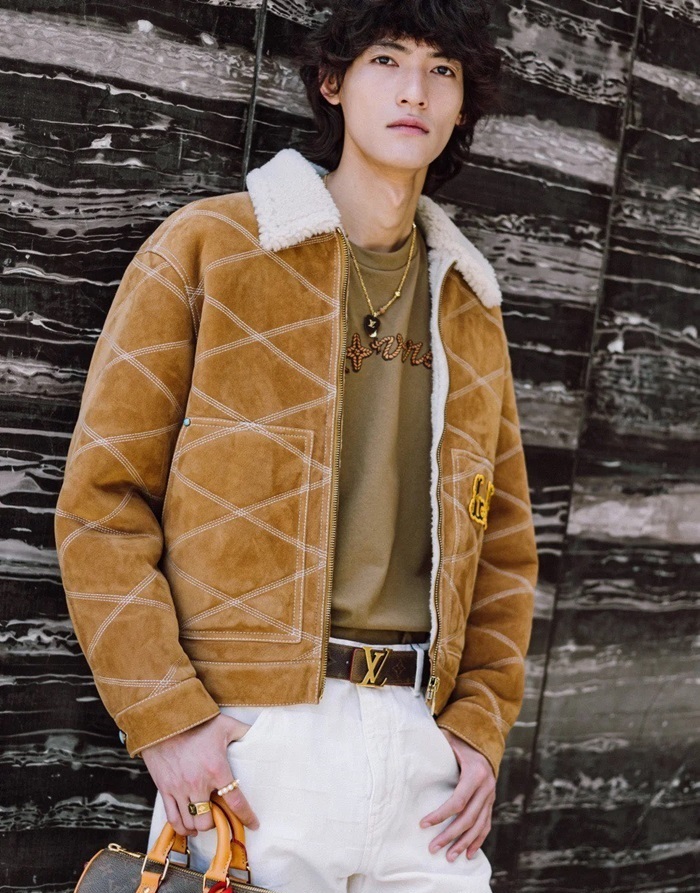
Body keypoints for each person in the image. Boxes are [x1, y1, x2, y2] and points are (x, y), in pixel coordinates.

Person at [54, 1, 538, 890]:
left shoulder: (469, 300)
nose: (415, 90)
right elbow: (102, 500)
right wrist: (166, 715)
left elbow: (505, 545)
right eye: (387, 60)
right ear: (332, 82)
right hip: (257, 740)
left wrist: (479, 726)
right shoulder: (211, 246)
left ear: (462, 105)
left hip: (424, 754)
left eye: (442, 70)